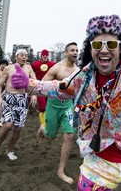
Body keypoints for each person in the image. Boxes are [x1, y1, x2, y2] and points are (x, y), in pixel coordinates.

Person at [10, 15, 121, 190]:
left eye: (110, 44)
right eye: (97, 45)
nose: (103, 50)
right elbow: (59, 88)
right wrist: (29, 84)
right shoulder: (85, 76)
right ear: (90, 48)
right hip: (99, 158)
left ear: (120, 48)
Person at [36, 42, 79, 184]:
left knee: (69, 135)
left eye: (77, 50)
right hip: (53, 105)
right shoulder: (57, 68)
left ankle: (61, 171)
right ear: (66, 52)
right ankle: (43, 130)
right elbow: (42, 84)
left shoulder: (78, 70)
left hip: (68, 106)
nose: (75, 53)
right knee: (51, 136)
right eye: (72, 50)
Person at [0, 49, 37, 165]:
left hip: (22, 100)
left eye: (26, 55)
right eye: (22, 55)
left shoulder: (28, 68)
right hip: (9, 98)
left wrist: (34, 95)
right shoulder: (8, 68)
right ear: (16, 56)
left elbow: (35, 83)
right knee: (8, 125)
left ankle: (9, 149)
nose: (24, 57)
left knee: (17, 128)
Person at [31, 49, 56, 127]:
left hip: (50, 87)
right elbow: (30, 73)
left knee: (51, 106)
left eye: (46, 55)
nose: (45, 57)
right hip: (39, 87)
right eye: (43, 55)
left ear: (48, 56)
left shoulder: (53, 64)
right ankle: (43, 124)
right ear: (41, 55)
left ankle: (49, 123)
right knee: (42, 107)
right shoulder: (35, 64)